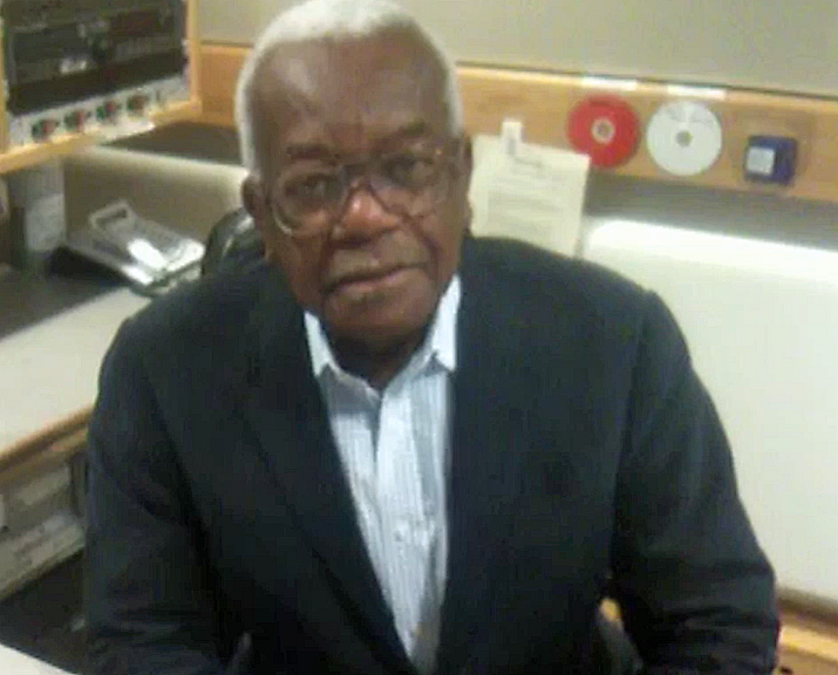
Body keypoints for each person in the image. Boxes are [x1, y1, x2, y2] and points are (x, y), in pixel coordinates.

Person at [84, 0, 779, 673]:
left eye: (406, 168)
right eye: (314, 185)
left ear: (462, 176)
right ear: (262, 213)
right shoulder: (165, 369)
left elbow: (717, 622)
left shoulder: (616, 343)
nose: (364, 216)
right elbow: (143, 641)